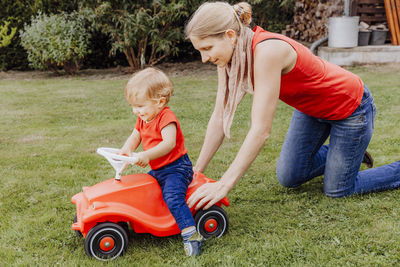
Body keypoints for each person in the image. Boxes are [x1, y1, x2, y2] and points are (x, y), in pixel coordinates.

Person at [184, 1, 400, 211]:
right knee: (289, 176)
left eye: (207, 48)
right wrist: (197, 171)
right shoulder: (229, 59)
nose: (204, 58)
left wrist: (224, 185)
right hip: (312, 110)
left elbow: (260, 130)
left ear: (230, 36)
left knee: (338, 189)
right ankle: (348, 155)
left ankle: (351, 158)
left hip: (351, 109)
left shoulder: (267, 52)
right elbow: (220, 116)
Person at [119, 67, 204, 256]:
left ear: (160, 102)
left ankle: (191, 234)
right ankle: (153, 220)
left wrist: (147, 155)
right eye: (133, 106)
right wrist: (126, 150)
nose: (135, 111)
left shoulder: (166, 117)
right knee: (144, 190)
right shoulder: (144, 118)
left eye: (140, 106)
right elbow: (135, 136)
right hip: (159, 169)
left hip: (177, 168)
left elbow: (169, 144)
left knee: (173, 198)